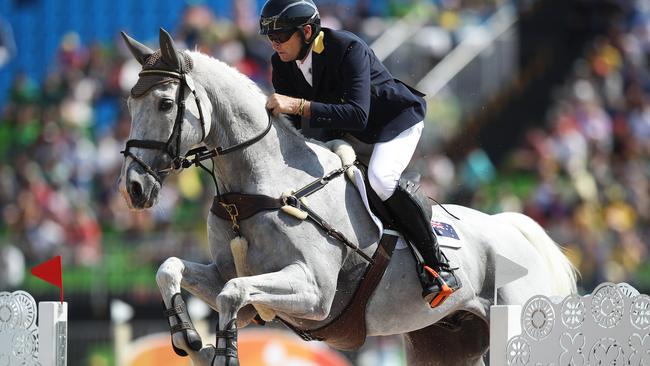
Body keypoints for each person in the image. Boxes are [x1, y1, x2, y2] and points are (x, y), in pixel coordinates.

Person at [260, 0, 460, 308]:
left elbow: (357, 115)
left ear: (308, 31)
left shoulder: (347, 48)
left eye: (282, 36)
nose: (275, 44)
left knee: (381, 178)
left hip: (394, 121)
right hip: (344, 133)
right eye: (271, 38)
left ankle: (438, 266)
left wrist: (296, 105)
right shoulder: (282, 63)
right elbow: (298, 127)